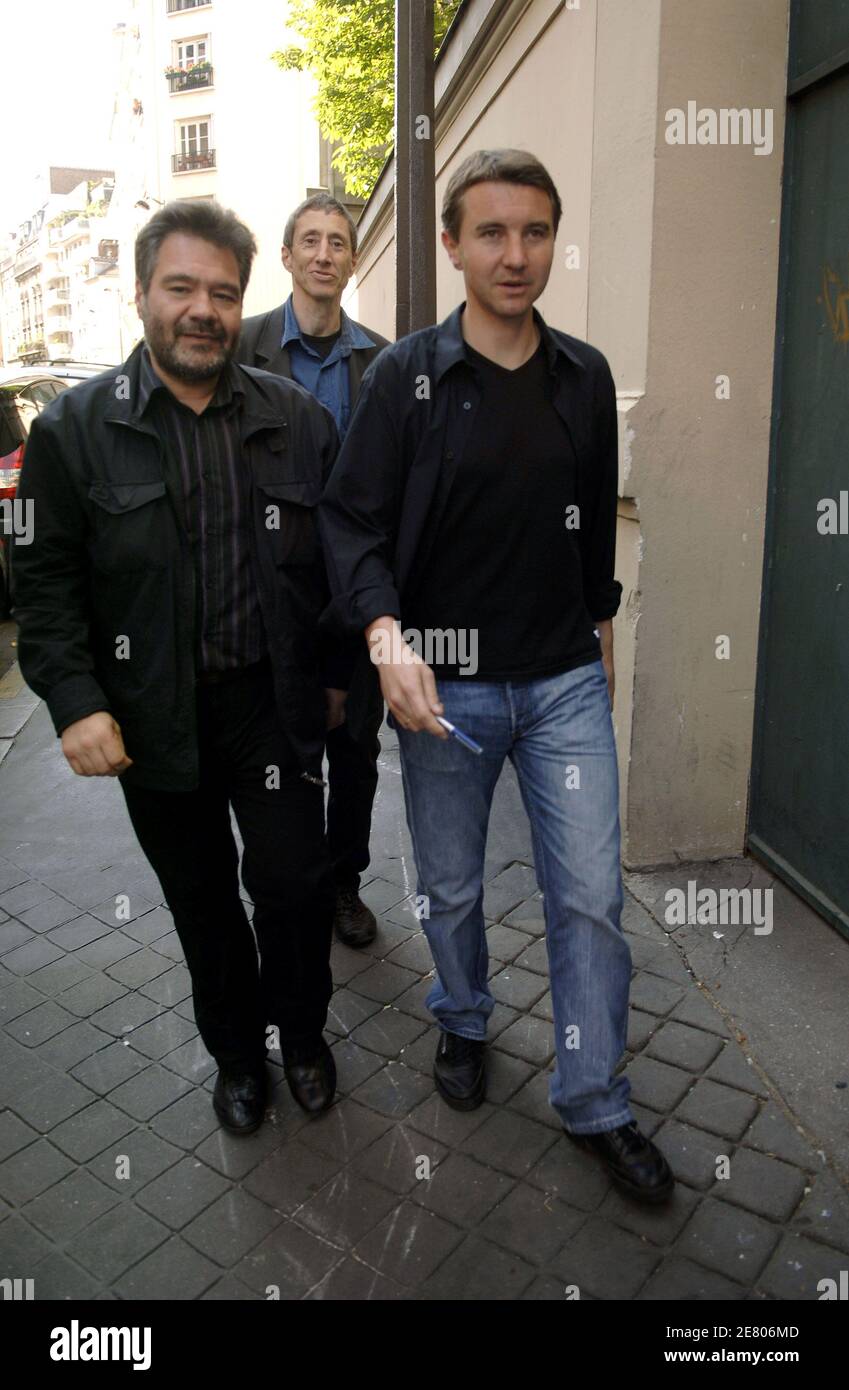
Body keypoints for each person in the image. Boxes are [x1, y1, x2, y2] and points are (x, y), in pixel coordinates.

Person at [319, 150, 675, 1204]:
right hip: (448, 687)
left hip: (563, 680)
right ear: (453, 244)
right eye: (492, 232)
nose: (516, 255)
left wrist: (600, 623)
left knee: (590, 900)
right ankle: (464, 1018)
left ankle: (595, 1098)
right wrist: (387, 640)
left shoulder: (586, 375)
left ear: (554, 239)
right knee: (453, 884)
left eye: (535, 232)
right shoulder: (405, 379)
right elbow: (350, 521)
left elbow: (594, 517)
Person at [12, 199, 349, 1137]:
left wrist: (333, 677)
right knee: (202, 899)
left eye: (223, 294)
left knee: (291, 885)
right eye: (182, 288)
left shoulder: (296, 420)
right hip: (154, 719)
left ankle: (305, 1038)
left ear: (242, 305)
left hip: (269, 707)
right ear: (142, 296)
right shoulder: (73, 434)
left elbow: (336, 565)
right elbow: (41, 585)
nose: (203, 309)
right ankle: (238, 1059)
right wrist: (76, 701)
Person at [238, 193, 389, 950]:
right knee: (284, 747)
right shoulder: (243, 347)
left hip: (356, 590)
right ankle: (289, 883)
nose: (325, 253)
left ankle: (343, 882)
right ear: (288, 257)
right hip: (274, 589)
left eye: (338, 241)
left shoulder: (384, 361)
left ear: (353, 259)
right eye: (311, 241)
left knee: (354, 748)